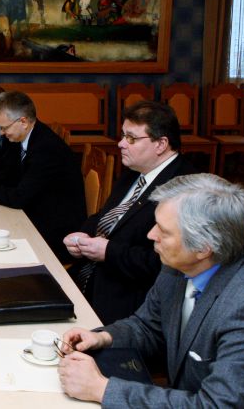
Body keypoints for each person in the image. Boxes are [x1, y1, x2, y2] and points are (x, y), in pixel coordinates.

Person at [58, 174, 244, 407]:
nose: (151, 235)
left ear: (203, 248)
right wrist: (103, 337)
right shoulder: (178, 265)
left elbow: (217, 405)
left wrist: (101, 389)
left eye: (164, 230)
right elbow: (148, 326)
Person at [64, 101, 196, 325]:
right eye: (123, 135)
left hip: (127, 299)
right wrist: (81, 236)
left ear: (161, 144)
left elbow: (165, 264)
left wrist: (109, 252)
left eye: (131, 138)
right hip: (90, 275)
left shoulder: (184, 188)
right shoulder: (135, 171)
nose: (121, 143)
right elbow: (105, 216)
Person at [0, 91, 86, 263]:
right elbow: (8, 173)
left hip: (55, 233)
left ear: (23, 122)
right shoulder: (25, 137)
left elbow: (20, 197)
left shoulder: (46, 148)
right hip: (36, 212)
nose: (1, 133)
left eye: (4, 128)